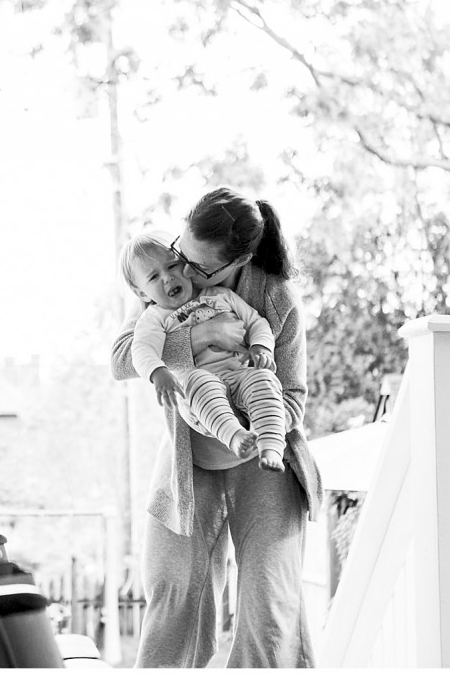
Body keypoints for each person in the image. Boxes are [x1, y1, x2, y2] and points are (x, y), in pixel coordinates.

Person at [111, 187, 321, 668]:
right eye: (180, 254)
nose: (181, 273)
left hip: (264, 460)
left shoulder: (274, 295)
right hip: (189, 457)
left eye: (197, 268)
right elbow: (123, 359)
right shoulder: (161, 274)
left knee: (269, 601)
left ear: (239, 262)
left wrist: (252, 425)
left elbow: (294, 394)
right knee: (173, 587)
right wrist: (198, 336)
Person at [118, 231, 287, 472]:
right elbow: (141, 349)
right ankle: (235, 435)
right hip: (201, 379)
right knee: (197, 384)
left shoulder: (221, 295)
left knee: (264, 379)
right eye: (154, 277)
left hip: (240, 371)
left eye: (173, 266)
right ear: (142, 293)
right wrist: (158, 372)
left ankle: (271, 447)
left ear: (186, 265)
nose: (167, 278)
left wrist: (261, 346)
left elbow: (256, 322)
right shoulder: (154, 318)